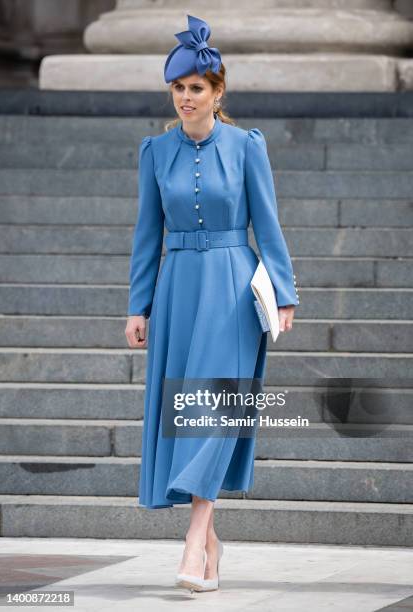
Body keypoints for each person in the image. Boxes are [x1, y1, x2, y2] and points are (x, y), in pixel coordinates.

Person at [125, 14, 300, 593]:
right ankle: (213, 543)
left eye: (195, 88)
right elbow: (146, 235)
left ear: (217, 92)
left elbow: (268, 225)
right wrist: (138, 305)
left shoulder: (248, 147)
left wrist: (284, 292)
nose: (185, 98)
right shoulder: (155, 152)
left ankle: (196, 540)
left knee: (215, 409)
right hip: (178, 290)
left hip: (233, 286)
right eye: (177, 89)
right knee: (188, 412)